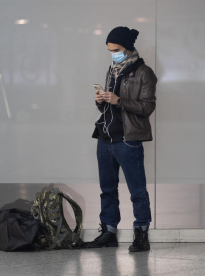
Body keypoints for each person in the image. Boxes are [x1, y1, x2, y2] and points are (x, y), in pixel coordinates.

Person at [87, 26, 157, 252]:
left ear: (127, 49)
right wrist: (101, 101)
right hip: (105, 138)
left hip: (127, 140)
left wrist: (119, 100)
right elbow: (108, 109)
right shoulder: (112, 70)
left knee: (137, 191)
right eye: (109, 50)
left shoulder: (144, 72)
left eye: (116, 50)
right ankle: (108, 232)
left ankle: (141, 235)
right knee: (107, 189)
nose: (112, 54)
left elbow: (147, 107)